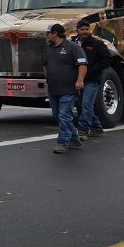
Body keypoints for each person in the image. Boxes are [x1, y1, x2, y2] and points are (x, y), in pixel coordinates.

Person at [42, 23, 87, 154]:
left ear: (55, 33)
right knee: (58, 115)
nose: (46, 35)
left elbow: (82, 64)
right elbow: (45, 65)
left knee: (64, 115)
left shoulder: (73, 47)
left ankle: (63, 142)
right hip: (53, 89)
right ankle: (75, 139)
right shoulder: (47, 49)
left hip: (69, 89)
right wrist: (48, 78)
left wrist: (80, 80)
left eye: (48, 33)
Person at [75, 21, 110, 138]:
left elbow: (108, 59)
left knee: (86, 105)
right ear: (77, 31)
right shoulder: (73, 44)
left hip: (92, 79)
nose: (84, 32)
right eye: (82, 29)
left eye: (86, 29)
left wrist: (94, 69)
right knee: (82, 105)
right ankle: (97, 127)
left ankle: (83, 130)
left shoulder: (97, 43)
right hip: (78, 79)